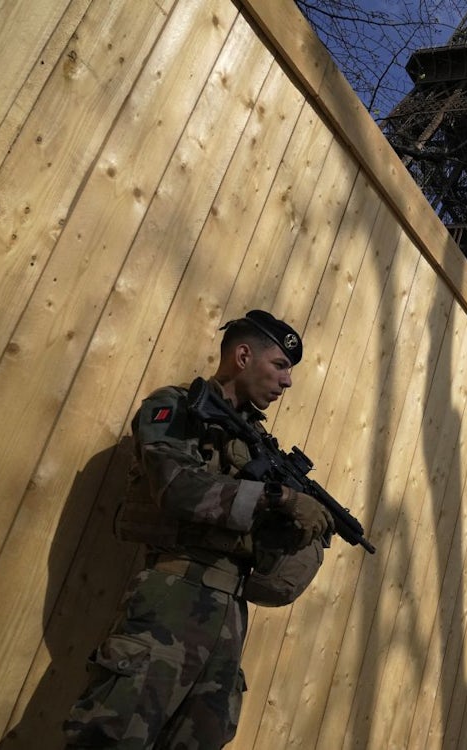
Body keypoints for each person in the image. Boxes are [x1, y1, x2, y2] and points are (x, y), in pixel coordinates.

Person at [64, 310, 334, 749]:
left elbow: (264, 567)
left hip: (229, 615)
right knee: (113, 736)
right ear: (243, 355)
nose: (287, 382)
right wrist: (277, 499)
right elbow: (176, 487)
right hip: (171, 595)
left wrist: (299, 529)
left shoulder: (256, 445)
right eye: (280, 365)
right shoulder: (175, 407)